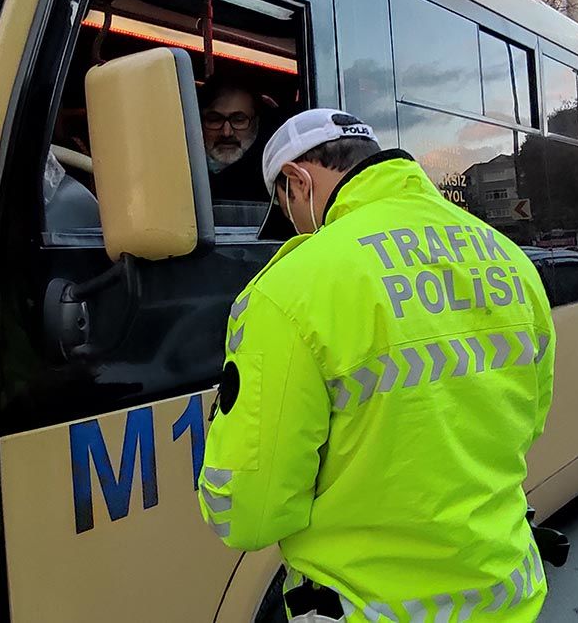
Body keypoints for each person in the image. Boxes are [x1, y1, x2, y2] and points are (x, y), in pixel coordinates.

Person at [198, 109, 556, 621]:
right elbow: (529, 419)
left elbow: (248, 516)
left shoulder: (291, 288)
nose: (296, 225)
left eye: (288, 209)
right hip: (507, 597)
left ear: (298, 180)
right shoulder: (508, 259)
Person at [197, 77, 273, 202]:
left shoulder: (274, 179)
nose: (226, 132)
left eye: (238, 120)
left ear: (257, 123)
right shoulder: (178, 170)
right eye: (215, 119)